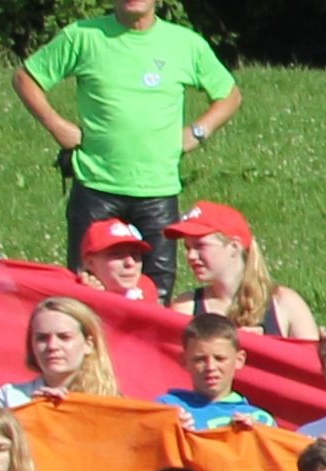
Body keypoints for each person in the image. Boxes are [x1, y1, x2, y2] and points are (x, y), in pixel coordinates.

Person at [14, 0, 232, 280]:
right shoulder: (83, 36)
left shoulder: (185, 43)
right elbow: (25, 78)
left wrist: (198, 131)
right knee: (88, 287)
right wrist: (57, 126)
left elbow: (229, 95)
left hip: (157, 191)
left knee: (155, 293)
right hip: (96, 187)